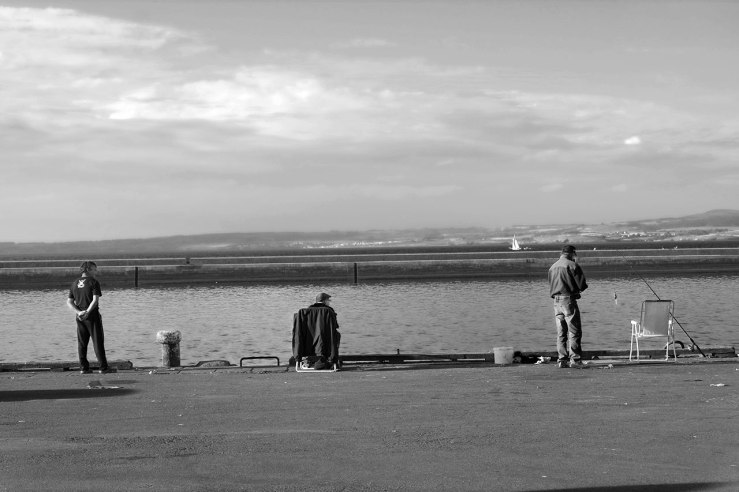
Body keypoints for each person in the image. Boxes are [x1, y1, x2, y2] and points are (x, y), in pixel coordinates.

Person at [66, 261, 112, 374]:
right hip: (92, 316)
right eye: (94, 269)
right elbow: (95, 300)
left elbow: (69, 302)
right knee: (98, 341)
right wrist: (87, 312)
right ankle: (103, 368)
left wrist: (79, 312)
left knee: (82, 343)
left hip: (80, 317)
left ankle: (84, 368)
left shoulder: (74, 283)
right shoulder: (94, 282)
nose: (96, 271)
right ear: (88, 269)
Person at [548, 245, 588, 368]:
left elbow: (551, 284)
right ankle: (575, 360)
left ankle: (562, 360)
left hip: (556, 301)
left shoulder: (552, 267)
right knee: (574, 331)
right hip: (568, 301)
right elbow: (582, 285)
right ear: (572, 253)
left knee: (561, 332)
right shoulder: (572, 265)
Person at [293, 292, 341, 370]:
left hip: (307, 342)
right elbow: (335, 326)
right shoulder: (328, 311)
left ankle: (308, 360)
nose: (329, 302)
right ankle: (331, 360)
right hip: (324, 343)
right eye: (328, 300)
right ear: (324, 301)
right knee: (337, 335)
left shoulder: (305, 311)